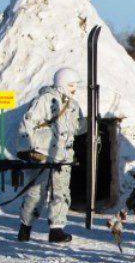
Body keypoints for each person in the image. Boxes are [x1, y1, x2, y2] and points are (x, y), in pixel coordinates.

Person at [16, 68, 86, 243]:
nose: (73, 89)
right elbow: (27, 125)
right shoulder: (45, 100)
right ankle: (25, 227)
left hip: (63, 156)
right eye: (70, 85)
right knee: (35, 194)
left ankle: (56, 229)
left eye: (74, 85)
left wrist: (89, 123)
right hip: (44, 156)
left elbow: (77, 128)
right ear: (61, 84)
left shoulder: (73, 105)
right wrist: (33, 149)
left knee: (61, 193)